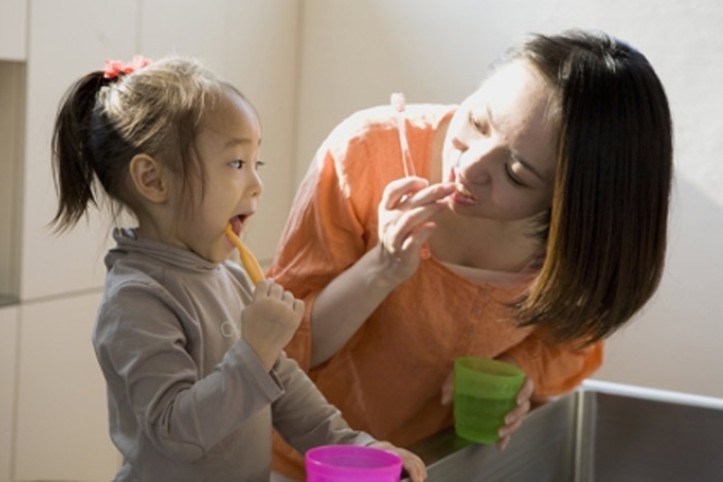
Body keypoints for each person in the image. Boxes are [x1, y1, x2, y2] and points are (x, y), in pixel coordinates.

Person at [269, 29, 673, 479]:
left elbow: (570, 341)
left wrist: (519, 369)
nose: (469, 166)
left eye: (515, 174)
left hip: (436, 462)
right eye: (478, 122)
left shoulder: (575, 242)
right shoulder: (365, 153)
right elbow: (276, 348)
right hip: (307, 461)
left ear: (569, 206)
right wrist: (382, 267)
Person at [49, 55, 427, 482]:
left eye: (256, 164)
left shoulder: (231, 277)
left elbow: (282, 383)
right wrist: (255, 350)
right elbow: (175, 433)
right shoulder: (137, 299)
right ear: (153, 180)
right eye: (236, 164)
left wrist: (351, 443)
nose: (256, 185)